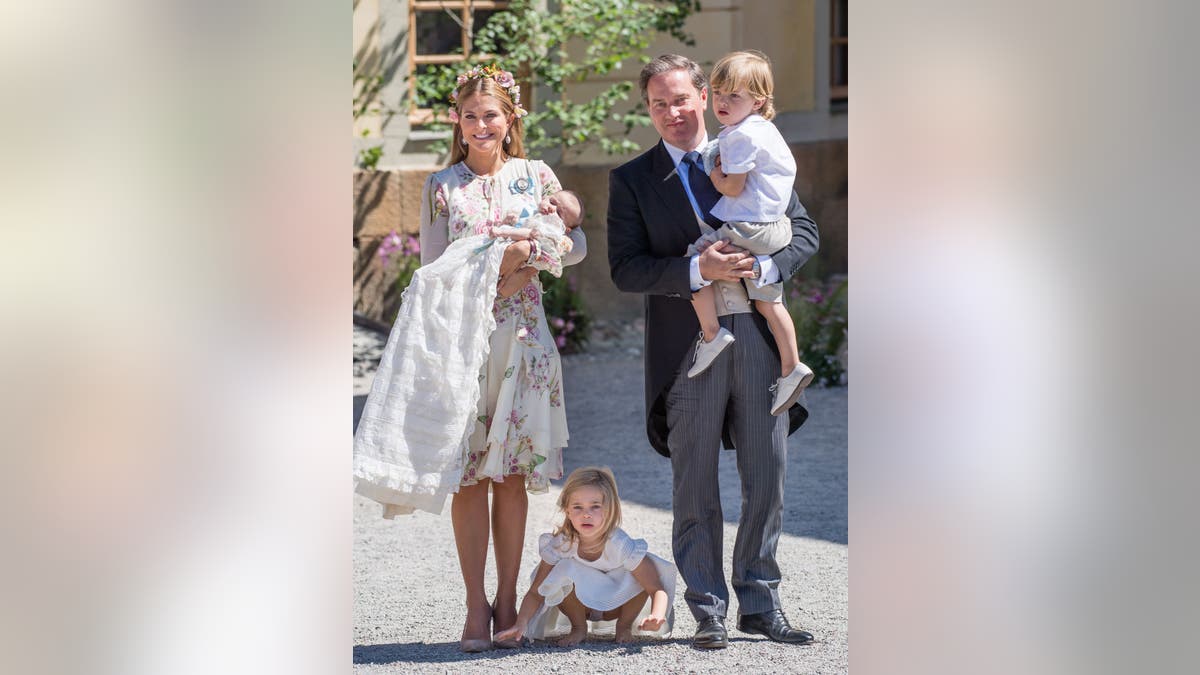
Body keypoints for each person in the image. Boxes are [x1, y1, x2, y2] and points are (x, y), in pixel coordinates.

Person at [353, 62, 587, 653]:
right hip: (462, 342)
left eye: (492, 116)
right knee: (465, 479)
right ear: (457, 122)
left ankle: (509, 600)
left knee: (508, 476)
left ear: (510, 121)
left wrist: (528, 266)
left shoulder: (536, 176)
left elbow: (575, 244)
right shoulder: (442, 188)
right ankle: (473, 606)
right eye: (471, 116)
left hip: (523, 342)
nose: (481, 125)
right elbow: (431, 274)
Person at [607, 53, 818, 649]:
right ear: (647, 109)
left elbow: (804, 232)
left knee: (767, 474)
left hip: (756, 334)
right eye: (657, 104)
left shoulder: (752, 144)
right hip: (688, 349)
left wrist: (766, 264)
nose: (671, 113)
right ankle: (707, 609)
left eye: (680, 99)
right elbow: (626, 270)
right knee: (693, 482)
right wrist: (695, 266)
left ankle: (760, 602)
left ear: (705, 96)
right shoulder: (632, 180)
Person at [683, 51, 814, 415]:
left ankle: (712, 335)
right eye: (719, 93)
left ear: (758, 100)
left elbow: (734, 188)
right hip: (774, 227)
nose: (723, 103)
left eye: (734, 96)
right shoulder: (765, 129)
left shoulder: (740, 136)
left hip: (751, 227)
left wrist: (714, 177)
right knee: (769, 302)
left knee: (697, 259)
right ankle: (792, 366)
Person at [493, 466, 676, 646]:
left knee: (640, 571)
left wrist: (657, 614)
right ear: (567, 511)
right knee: (561, 570)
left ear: (609, 510)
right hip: (581, 606)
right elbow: (536, 592)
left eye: (595, 507)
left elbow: (655, 587)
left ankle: (624, 626)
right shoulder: (561, 544)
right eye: (578, 507)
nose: (586, 514)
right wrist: (520, 623)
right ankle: (578, 627)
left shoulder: (619, 544)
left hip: (616, 605)